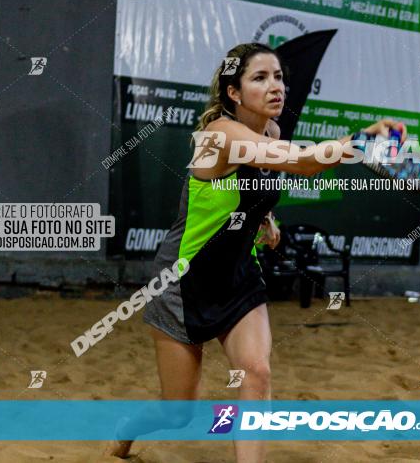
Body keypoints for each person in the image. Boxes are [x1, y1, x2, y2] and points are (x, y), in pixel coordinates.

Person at [107, 42, 404, 462]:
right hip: (182, 282)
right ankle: (125, 430)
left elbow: (254, 188)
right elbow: (302, 163)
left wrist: (266, 221)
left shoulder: (272, 132)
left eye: (279, 77)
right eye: (260, 78)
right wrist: (362, 140)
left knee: (257, 371)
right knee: (177, 414)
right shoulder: (218, 135)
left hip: (237, 276)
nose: (275, 87)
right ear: (233, 92)